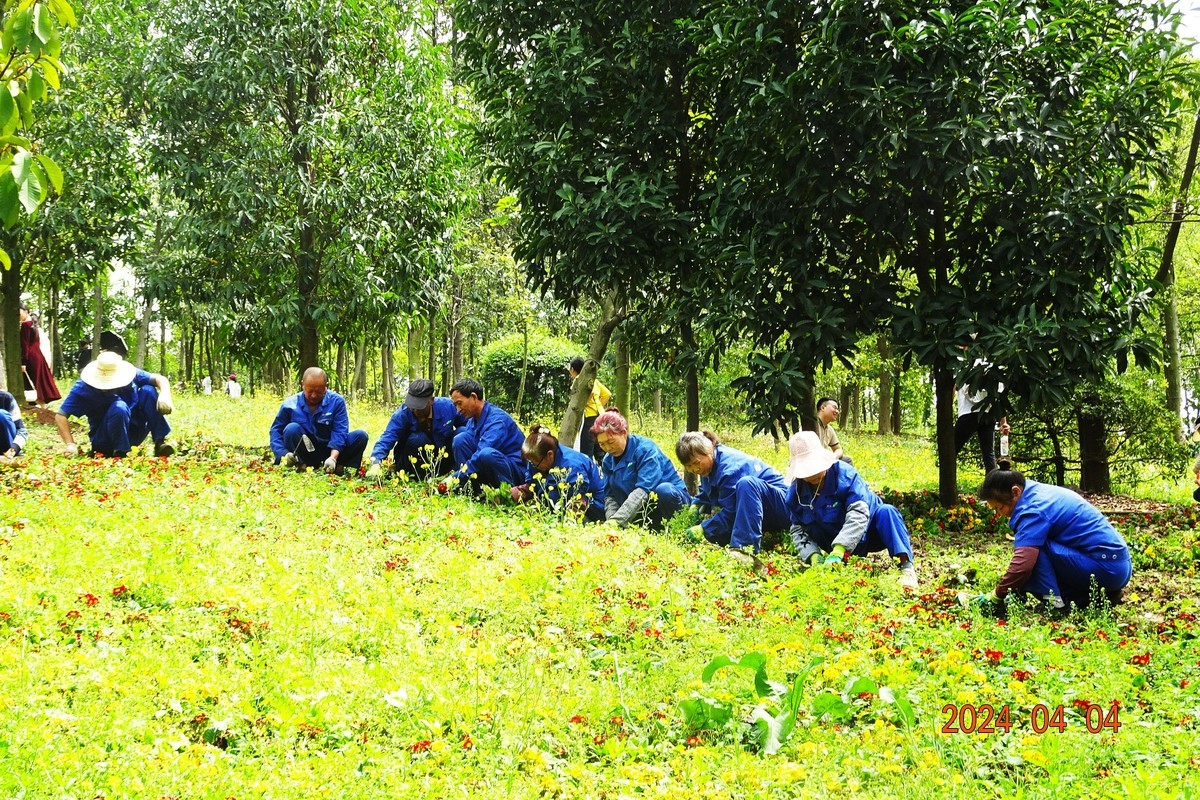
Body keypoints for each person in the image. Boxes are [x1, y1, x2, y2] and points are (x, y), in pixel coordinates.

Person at [969, 462, 1131, 615]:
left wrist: (996, 596)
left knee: (1034, 550)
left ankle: (1055, 604)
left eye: (1000, 507)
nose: (999, 514)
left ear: (1016, 491)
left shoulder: (1032, 510)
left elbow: (1024, 565)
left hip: (1106, 568)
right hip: (1118, 564)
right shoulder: (1033, 489)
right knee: (1034, 548)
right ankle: (1087, 598)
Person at [784, 430, 918, 588]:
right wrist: (813, 555)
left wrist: (841, 548)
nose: (813, 473)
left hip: (871, 532)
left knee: (887, 512)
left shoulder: (845, 475)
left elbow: (859, 513)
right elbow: (798, 529)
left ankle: (906, 568)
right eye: (807, 470)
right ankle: (837, 562)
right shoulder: (795, 494)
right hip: (833, 538)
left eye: (815, 466)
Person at [676, 431, 791, 554]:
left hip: (785, 507)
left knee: (747, 484)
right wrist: (698, 503)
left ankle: (743, 550)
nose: (694, 469)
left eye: (696, 463)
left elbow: (732, 513)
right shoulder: (709, 464)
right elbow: (711, 488)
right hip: (762, 507)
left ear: (708, 452)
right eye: (688, 466)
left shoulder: (729, 469)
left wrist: (704, 529)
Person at [55, 351, 175, 458]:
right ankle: (120, 452)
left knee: (148, 390)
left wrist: (165, 394)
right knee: (119, 407)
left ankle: (160, 442)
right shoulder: (83, 388)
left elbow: (160, 379)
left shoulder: (130, 374)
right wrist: (70, 444)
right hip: (105, 439)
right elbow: (60, 416)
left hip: (133, 430)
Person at [592, 408, 690, 528]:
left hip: (670, 504)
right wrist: (611, 522)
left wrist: (617, 521)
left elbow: (643, 491)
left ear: (623, 433)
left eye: (611, 442)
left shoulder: (646, 450)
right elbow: (610, 496)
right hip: (642, 513)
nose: (607, 448)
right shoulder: (608, 460)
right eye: (602, 444)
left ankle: (679, 530)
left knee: (664, 490)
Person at [270, 367, 368, 474]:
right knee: (291, 429)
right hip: (305, 451)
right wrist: (283, 455)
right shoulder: (290, 404)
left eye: (318, 391)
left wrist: (333, 458)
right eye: (310, 391)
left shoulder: (337, 402)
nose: (313, 395)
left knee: (360, 436)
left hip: (331, 450)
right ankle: (300, 465)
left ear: (326, 386)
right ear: (302, 385)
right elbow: (276, 431)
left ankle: (339, 467)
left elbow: (340, 432)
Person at [366, 379, 463, 480]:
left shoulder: (448, 406)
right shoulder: (403, 413)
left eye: (419, 406)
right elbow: (388, 437)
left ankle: (459, 474)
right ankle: (418, 475)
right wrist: (376, 462)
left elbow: (469, 429)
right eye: (412, 405)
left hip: (441, 457)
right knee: (418, 438)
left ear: (432, 400)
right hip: (411, 459)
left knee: (462, 433)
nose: (414, 409)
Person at [511, 424, 606, 521]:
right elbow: (532, 486)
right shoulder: (536, 459)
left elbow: (578, 503)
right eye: (530, 462)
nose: (533, 466)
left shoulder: (572, 466)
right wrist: (510, 495)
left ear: (550, 455)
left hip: (592, 507)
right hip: (559, 507)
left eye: (535, 464)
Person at [447, 378, 525, 492]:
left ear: (473, 397)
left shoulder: (497, 421)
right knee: (460, 440)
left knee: (486, 454)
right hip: (490, 467)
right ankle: (470, 489)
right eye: (455, 405)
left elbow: (480, 456)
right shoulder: (472, 420)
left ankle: (507, 494)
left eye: (460, 403)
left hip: (514, 471)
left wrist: (455, 478)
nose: (458, 410)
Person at [568, 357, 612, 462]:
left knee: (586, 448)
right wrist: (598, 406)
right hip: (600, 415)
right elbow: (607, 394)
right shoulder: (594, 380)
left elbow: (590, 392)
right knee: (600, 446)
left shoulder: (579, 379)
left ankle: (587, 472)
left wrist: (587, 403)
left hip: (588, 417)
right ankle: (603, 469)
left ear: (573, 369)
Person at [19, 305, 61, 408]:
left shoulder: (26, 325)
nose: (18, 316)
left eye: (19, 313)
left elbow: (25, 346)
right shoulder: (33, 325)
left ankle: (40, 407)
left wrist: (23, 362)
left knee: (32, 383)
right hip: (38, 356)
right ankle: (42, 407)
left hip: (31, 358)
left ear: (26, 311)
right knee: (38, 382)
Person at [814, 397, 852, 464]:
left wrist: (834, 456)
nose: (837, 412)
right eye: (834, 408)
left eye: (837, 409)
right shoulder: (812, 425)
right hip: (811, 463)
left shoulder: (829, 429)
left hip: (824, 460)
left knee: (846, 460)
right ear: (823, 408)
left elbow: (839, 449)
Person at [0, 390, 29, 462]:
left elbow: (22, 430)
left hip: (5, 445)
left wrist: (14, 448)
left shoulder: (5, 398)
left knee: (1, 414)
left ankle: (8, 455)